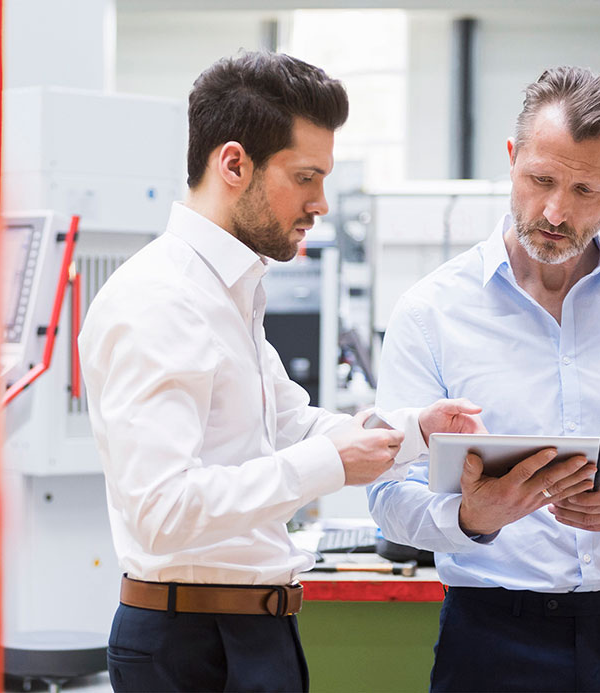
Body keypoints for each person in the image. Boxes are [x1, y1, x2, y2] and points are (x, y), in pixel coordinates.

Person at [78, 51, 485, 692]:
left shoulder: (230, 292)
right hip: (192, 645)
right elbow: (160, 509)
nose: (321, 203)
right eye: (305, 177)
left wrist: (416, 433)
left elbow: (291, 425)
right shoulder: (160, 299)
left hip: (254, 631)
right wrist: (330, 465)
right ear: (233, 164)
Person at [367, 66, 600, 692]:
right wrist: (472, 518)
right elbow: (387, 496)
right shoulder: (431, 312)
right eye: (540, 180)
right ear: (512, 159)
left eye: (586, 190)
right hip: (490, 640)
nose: (556, 212)